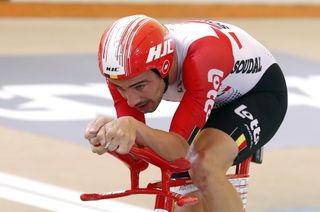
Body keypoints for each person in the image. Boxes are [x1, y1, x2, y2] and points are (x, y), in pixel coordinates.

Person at [84, 15, 287, 212]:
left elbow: (179, 149)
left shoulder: (202, 57)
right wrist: (109, 135)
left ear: (164, 67)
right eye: (120, 88)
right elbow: (140, 153)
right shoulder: (122, 73)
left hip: (259, 94)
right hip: (212, 94)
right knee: (185, 195)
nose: (131, 100)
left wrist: (133, 126)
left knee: (203, 165)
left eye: (140, 86)